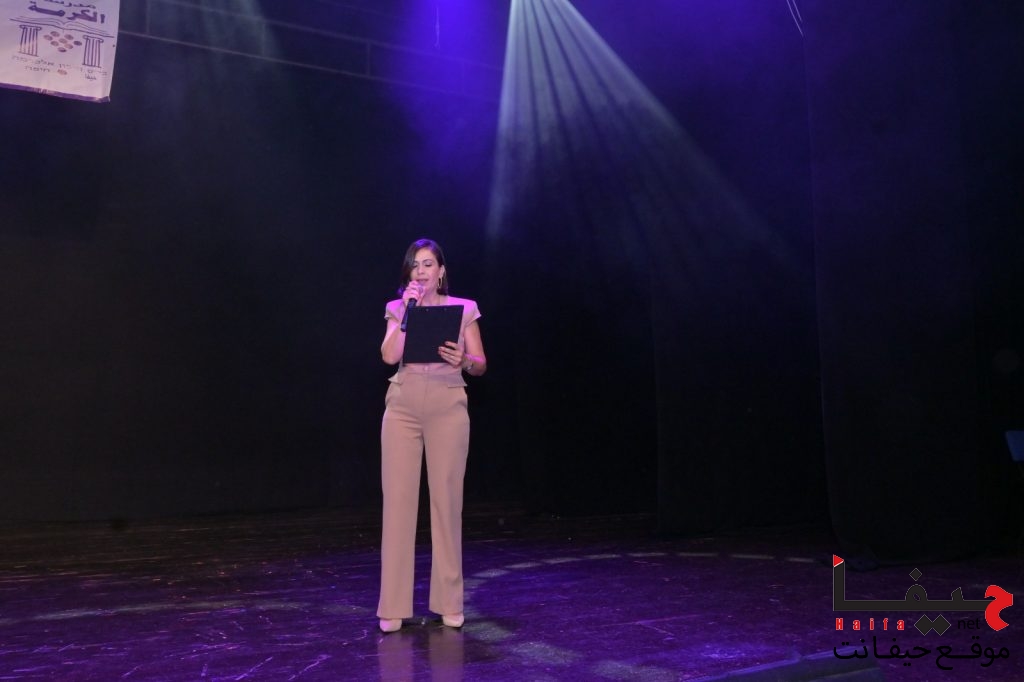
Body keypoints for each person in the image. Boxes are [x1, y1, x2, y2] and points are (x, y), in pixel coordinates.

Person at [377, 238, 487, 633]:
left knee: (446, 503)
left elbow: (480, 363)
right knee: (398, 504)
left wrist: (465, 359)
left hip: (447, 403)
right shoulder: (397, 308)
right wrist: (409, 309)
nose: (421, 271)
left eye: (428, 264)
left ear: (441, 271)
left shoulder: (464, 308)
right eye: (415, 265)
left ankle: (449, 602)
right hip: (403, 406)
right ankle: (392, 606)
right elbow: (389, 356)